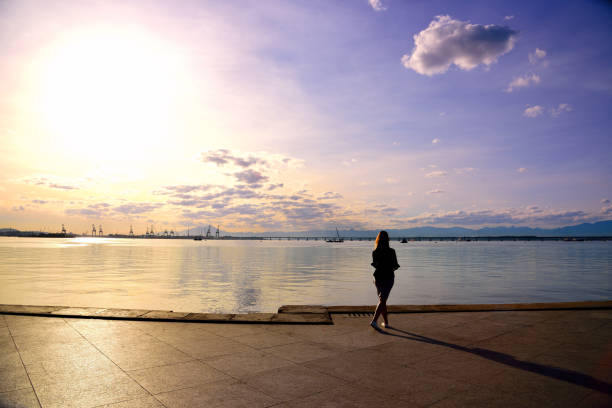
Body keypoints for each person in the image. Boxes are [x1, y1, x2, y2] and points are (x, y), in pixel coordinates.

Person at [370, 230, 399, 330]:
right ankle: (374, 321)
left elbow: (375, 265)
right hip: (388, 277)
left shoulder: (375, 252)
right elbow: (395, 265)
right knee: (383, 300)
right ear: (388, 239)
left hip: (378, 277)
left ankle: (386, 323)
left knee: (382, 300)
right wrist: (389, 267)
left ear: (378, 239)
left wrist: (381, 266)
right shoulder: (392, 251)